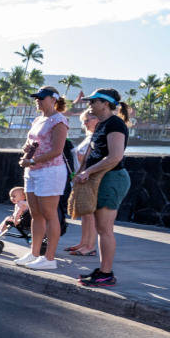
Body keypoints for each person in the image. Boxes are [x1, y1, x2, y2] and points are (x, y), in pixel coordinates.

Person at [74, 89, 132, 287]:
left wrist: (88, 171)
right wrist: (83, 172)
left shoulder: (115, 124)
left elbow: (115, 156)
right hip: (103, 178)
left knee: (105, 229)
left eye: (93, 101)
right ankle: (102, 270)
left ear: (105, 103)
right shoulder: (103, 124)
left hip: (112, 178)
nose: (89, 105)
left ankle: (107, 274)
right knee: (101, 228)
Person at [14, 86, 68, 271]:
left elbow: (57, 150)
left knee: (49, 214)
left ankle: (49, 258)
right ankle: (34, 253)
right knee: (35, 214)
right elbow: (31, 142)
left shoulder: (59, 120)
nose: (38, 100)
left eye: (42, 97)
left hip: (50, 171)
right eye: (36, 97)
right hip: (33, 170)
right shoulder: (38, 119)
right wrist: (27, 152)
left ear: (54, 100)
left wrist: (32, 160)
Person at [65, 109, 100, 256]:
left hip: (89, 178)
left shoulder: (97, 137)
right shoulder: (90, 137)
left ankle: (90, 246)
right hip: (81, 178)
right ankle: (83, 242)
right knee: (85, 213)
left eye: (88, 120)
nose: (84, 123)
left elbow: (90, 158)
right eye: (83, 121)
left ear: (97, 119)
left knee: (90, 213)